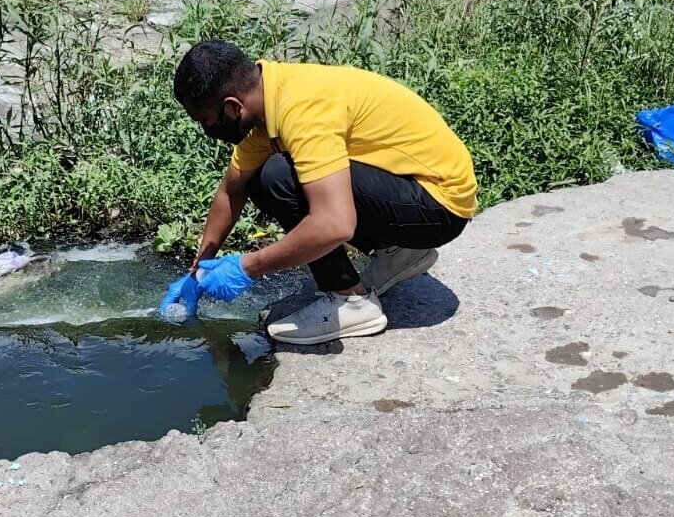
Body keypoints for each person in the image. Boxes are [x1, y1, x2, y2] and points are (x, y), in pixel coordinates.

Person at [159, 39, 477, 345]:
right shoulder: (268, 100)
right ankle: (399, 251)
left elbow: (335, 224)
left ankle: (352, 302)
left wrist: (247, 267)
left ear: (232, 107)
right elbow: (232, 191)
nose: (207, 131)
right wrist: (198, 270)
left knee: (277, 177)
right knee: (261, 176)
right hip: (412, 187)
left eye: (206, 121)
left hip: (440, 206)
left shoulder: (302, 109)